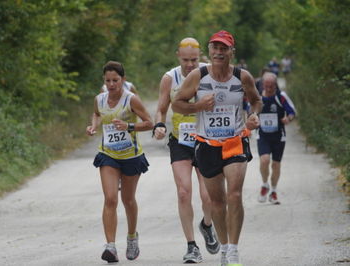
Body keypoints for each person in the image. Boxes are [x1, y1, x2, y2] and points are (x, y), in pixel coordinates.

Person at [172, 30, 263, 266]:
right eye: (215, 48)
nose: (219, 53)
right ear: (209, 51)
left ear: (232, 52)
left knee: (234, 194)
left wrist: (253, 115)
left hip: (234, 142)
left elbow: (256, 100)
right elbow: (177, 104)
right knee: (217, 202)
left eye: (224, 49)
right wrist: (199, 106)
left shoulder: (242, 77)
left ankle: (233, 249)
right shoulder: (197, 76)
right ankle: (223, 246)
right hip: (206, 144)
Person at [153, 37, 219, 263]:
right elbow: (161, 109)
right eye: (185, 60)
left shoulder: (208, 73)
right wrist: (159, 125)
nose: (190, 65)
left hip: (206, 139)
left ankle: (207, 225)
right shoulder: (169, 78)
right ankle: (191, 246)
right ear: (177, 56)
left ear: (200, 56)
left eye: (194, 60)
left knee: (207, 195)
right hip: (180, 141)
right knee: (183, 192)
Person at [86, 61, 153, 263]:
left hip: (131, 157)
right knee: (110, 198)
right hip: (108, 155)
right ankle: (111, 246)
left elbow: (149, 123)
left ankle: (132, 237)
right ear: (104, 81)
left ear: (123, 80)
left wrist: (129, 126)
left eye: (115, 80)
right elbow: (97, 114)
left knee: (128, 200)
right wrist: (93, 126)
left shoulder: (131, 99)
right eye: (108, 81)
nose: (112, 84)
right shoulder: (99, 99)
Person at [256, 72, 296, 205]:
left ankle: (273, 191)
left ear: (275, 85)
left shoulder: (281, 96)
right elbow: (249, 110)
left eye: (271, 86)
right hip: (263, 135)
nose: (268, 89)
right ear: (262, 84)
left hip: (278, 135)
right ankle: (264, 184)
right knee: (264, 160)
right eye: (266, 86)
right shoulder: (257, 97)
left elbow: (292, 111)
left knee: (276, 164)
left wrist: (288, 118)